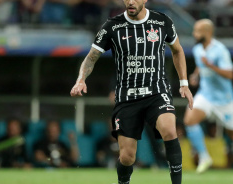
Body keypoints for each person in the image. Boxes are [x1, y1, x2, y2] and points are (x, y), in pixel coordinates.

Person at [70, 0, 193, 183]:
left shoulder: (162, 22)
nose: (130, 1)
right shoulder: (112, 26)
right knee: (128, 157)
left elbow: (177, 50)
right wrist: (81, 79)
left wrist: (184, 83)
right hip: (127, 97)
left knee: (169, 129)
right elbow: (91, 57)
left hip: (157, 92)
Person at [183, 19, 233, 183]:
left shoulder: (220, 50)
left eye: (197, 31)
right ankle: (204, 156)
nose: (194, 34)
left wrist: (211, 66)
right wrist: (196, 75)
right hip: (205, 95)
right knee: (189, 120)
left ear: (207, 33)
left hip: (224, 100)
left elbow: (230, 75)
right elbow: (201, 65)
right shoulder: (197, 49)